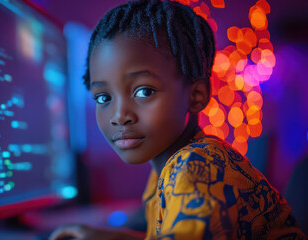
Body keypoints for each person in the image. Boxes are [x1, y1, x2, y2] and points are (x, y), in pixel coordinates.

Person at [50, 0, 306, 239]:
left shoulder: (195, 166)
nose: (119, 116)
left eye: (144, 91)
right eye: (104, 97)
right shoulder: (168, 166)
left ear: (196, 95)